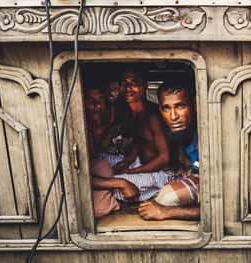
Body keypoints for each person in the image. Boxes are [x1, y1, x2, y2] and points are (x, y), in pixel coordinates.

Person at [92, 69, 172, 208]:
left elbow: (165, 158)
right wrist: (127, 161)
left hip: (161, 173)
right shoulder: (131, 113)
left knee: (113, 182)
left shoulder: (152, 116)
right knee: (99, 159)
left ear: (144, 86)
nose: (128, 88)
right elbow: (141, 142)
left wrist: (131, 172)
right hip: (139, 162)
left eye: (133, 83)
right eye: (124, 83)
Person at [139, 80, 200, 220]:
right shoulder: (178, 133)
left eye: (180, 106)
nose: (173, 116)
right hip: (193, 173)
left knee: (165, 198)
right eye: (167, 108)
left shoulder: (206, 130)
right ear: (160, 110)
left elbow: (224, 203)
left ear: (194, 105)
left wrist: (166, 212)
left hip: (211, 183)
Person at [84, 87, 138, 218]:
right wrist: (121, 183)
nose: (96, 105)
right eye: (90, 99)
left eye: (100, 99)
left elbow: (138, 139)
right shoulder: (76, 124)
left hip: (110, 161)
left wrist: (127, 161)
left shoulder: (118, 114)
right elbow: (79, 176)